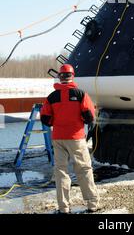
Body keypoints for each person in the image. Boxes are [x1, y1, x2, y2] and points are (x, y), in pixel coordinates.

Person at [40, 64, 98, 214]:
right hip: (76, 138)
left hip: (58, 138)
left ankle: (64, 208)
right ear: (72, 76)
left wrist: (58, 123)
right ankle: (92, 204)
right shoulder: (81, 94)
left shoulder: (51, 97)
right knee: (84, 169)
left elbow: (45, 119)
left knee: (60, 172)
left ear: (60, 77)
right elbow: (90, 117)